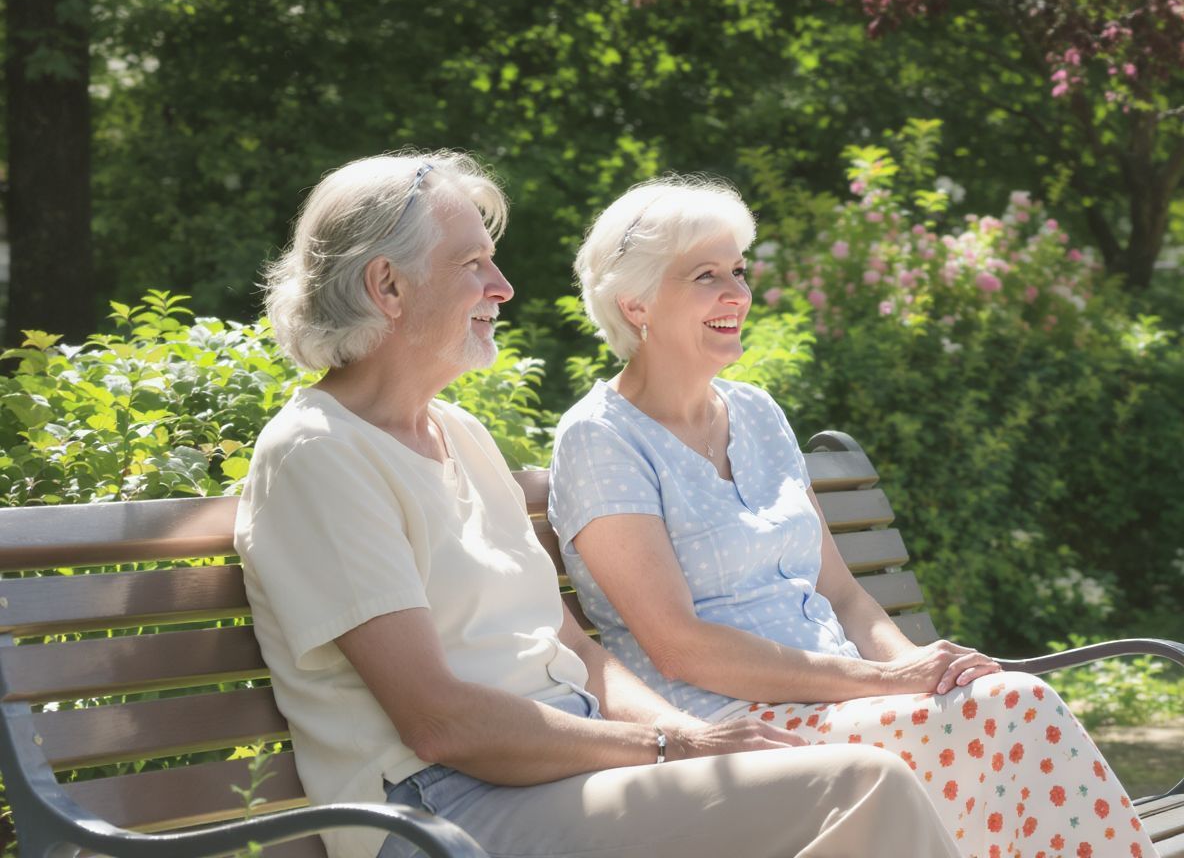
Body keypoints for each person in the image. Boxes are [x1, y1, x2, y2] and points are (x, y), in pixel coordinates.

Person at [234, 152, 963, 858]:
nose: (503, 286)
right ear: (387, 286)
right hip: (442, 810)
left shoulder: (458, 433)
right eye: (472, 265)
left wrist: (685, 738)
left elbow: (578, 652)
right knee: (860, 788)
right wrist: (673, 744)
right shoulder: (318, 455)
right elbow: (440, 722)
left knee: (854, 784)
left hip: (565, 770)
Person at [548, 175, 1158, 858]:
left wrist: (920, 666)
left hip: (840, 699)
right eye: (705, 276)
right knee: (1015, 711)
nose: (737, 294)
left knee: (1000, 702)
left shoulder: (756, 412)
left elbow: (839, 590)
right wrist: (887, 681)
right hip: (729, 726)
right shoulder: (601, 438)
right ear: (636, 303)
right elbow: (678, 644)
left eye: (739, 272)